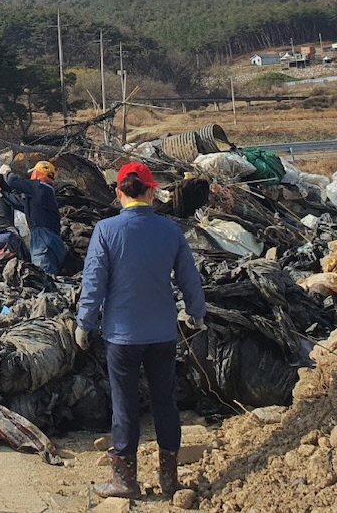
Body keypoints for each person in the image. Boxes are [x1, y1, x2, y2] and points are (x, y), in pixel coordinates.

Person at [75, 162, 207, 500]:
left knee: (125, 405)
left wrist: (85, 323)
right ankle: (169, 480)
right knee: (165, 403)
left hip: (121, 336)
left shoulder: (106, 230)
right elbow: (189, 279)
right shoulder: (170, 231)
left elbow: (94, 283)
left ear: (119, 193)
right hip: (162, 333)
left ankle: (125, 481)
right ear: (151, 191)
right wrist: (196, 313)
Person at [0, 160, 67, 274]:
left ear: (38, 173)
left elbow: (12, 181)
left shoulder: (38, 186)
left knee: (44, 278)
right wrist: (0, 191)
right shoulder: (44, 193)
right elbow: (18, 202)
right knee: (53, 278)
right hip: (54, 240)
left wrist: (6, 171)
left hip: (42, 239)